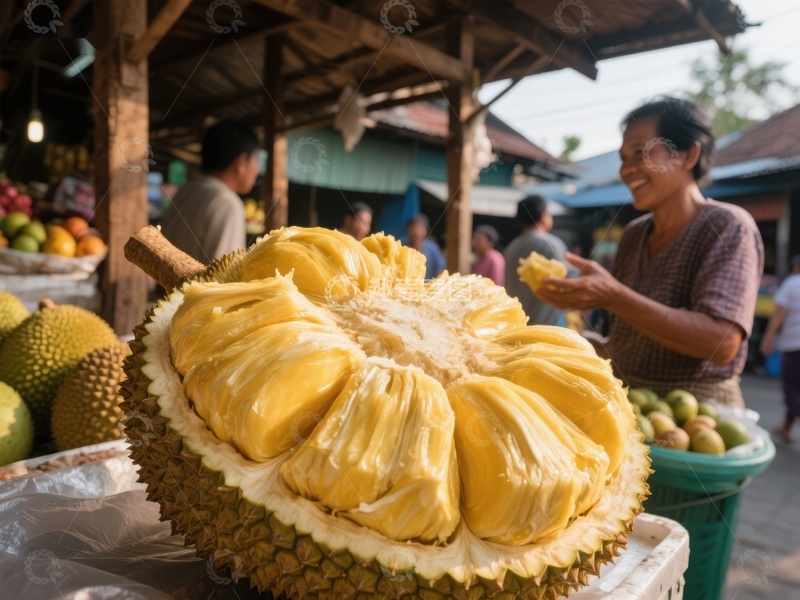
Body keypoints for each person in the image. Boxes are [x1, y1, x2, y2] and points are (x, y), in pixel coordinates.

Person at [535, 97, 764, 407]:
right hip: (629, 408)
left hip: (697, 417)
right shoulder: (634, 235)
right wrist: (568, 344)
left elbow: (721, 343)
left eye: (642, 152)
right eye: (624, 157)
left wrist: (614, 296)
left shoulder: (727, 226)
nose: (627, 169)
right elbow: (629, 341)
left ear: (689, 154)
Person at [160, 120, 258, 264]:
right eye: (256, 160)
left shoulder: (186, 190)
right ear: (241, 163)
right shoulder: (227, 202)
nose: (257, 170)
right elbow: (223, 278)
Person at [504, 195, 571, 326]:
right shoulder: (551, 243)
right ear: (543, 215)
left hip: (517, 324)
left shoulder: (511, 247)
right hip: (547, 325)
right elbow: (569, 279)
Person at [760, 255, 800, 441]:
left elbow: (779, 313)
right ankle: (786, 427)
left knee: (792, 388)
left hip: (793, 346)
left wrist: (768, 337)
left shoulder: (792, 283)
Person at [403, 213, 445, 279]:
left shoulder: (433, 248)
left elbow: (441, 270)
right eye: (412, 227)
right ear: (407, 230)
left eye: (419, 227)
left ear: (425, 231)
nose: (415, 231)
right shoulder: (401, 245)